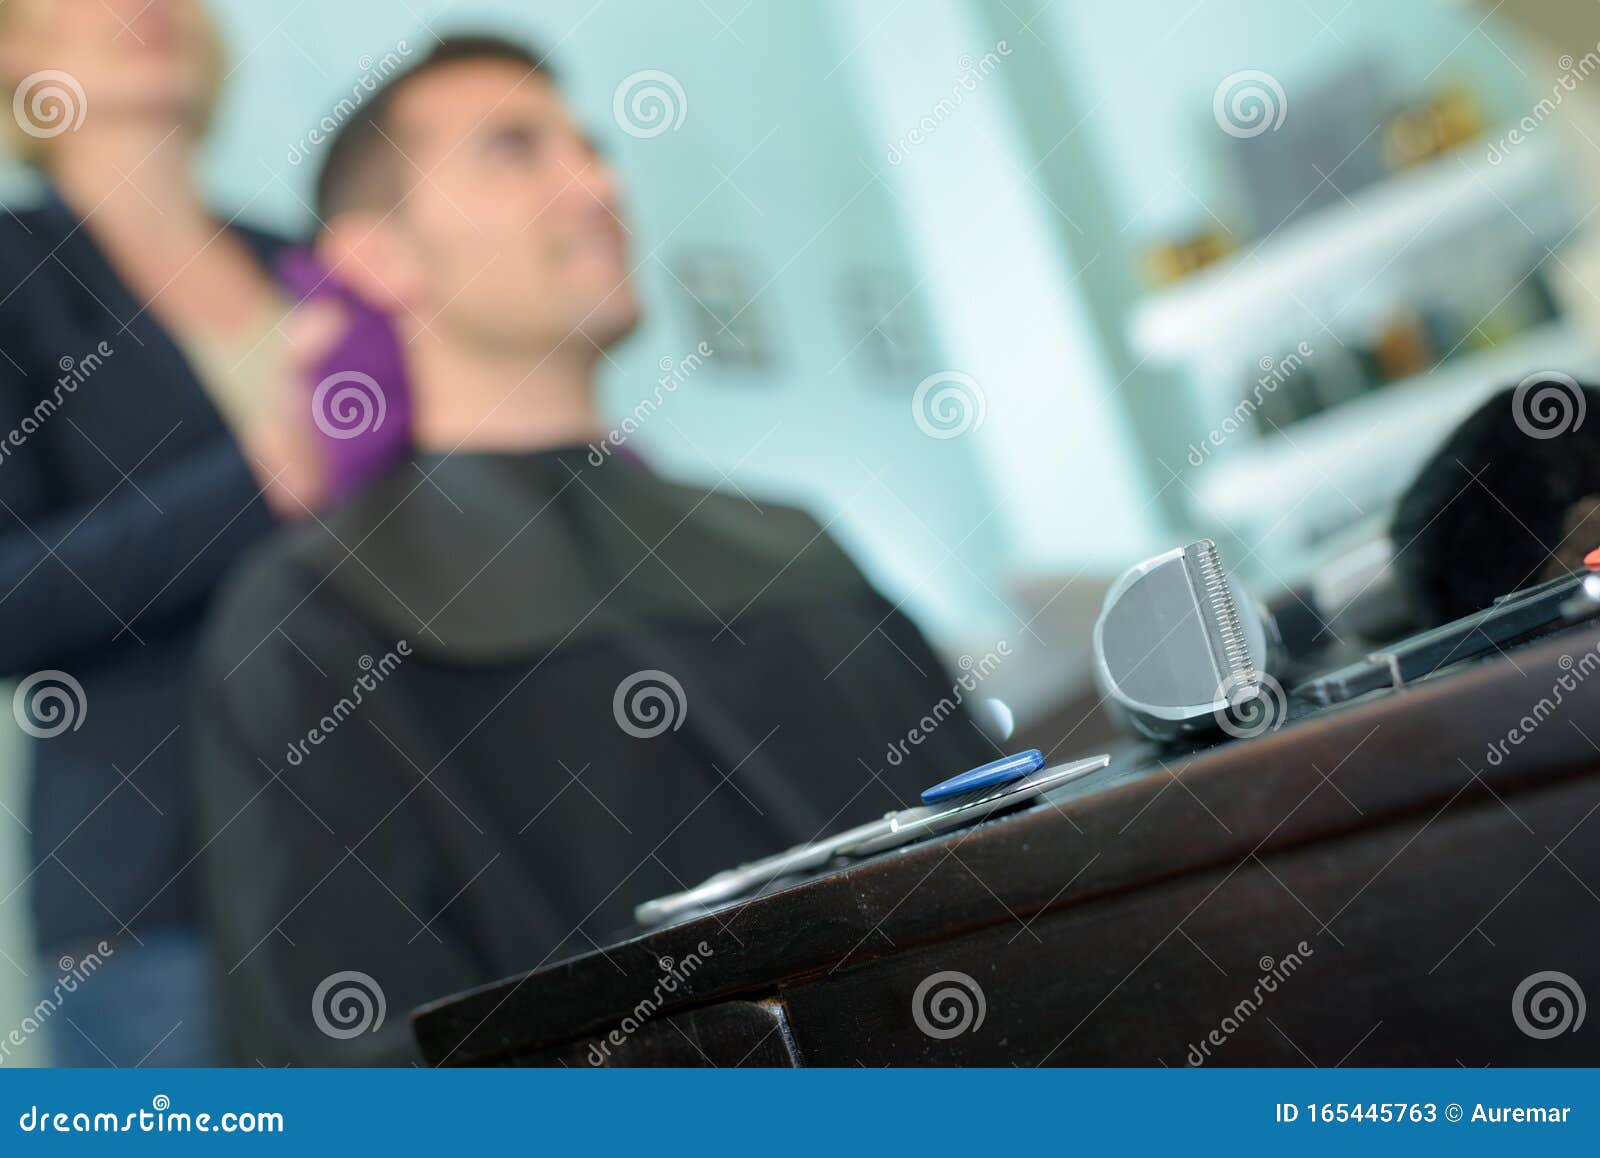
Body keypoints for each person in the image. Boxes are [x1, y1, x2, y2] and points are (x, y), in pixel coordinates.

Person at [193, 36, 995, 1065]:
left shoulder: (793, 543)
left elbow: (1003, 871)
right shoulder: (318, 623)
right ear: (376, 257)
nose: (597, 184)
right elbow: (338, 1059)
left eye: (592, 149)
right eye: (514, 150)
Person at [0, 0, 325, 1065]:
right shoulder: (15, 275)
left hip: (390, 846)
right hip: (159, 895)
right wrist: (263, 478)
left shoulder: (315, 264)